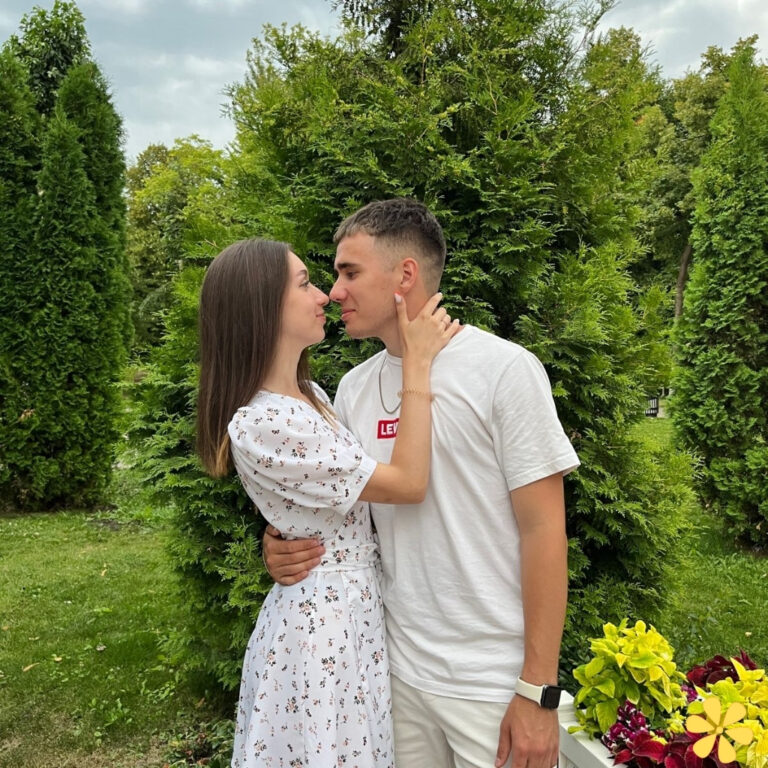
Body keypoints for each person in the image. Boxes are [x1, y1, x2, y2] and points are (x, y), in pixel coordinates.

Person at [263, 199, 580, 768]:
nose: (335, 291)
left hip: (491, 683)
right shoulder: (354, 390)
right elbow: (342, 501)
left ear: (405, 275)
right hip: (393, 673)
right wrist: (282, 538)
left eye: (350, 272)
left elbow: (544, 531)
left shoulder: (503, 369)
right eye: (334, 274)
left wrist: (538, 690)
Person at [195, 237, 459, 768]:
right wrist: (418, 364)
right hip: (321, 633)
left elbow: (319, 506)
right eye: (304, 283)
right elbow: (407, 483)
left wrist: (276, 536)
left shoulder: (312, 394)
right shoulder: (263, 421)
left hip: (353, 617)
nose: (325, 296)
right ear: (260, 305)